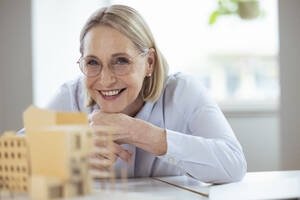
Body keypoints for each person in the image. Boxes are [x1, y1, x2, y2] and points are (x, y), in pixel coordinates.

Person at [45, 4, 247, 183]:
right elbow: (17, 161)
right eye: (92, 62)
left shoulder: (182, 91)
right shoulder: (71, 96)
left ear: (149, 62)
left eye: (121, 61)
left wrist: (139, 132)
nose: (105, 79)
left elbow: (234, 165)